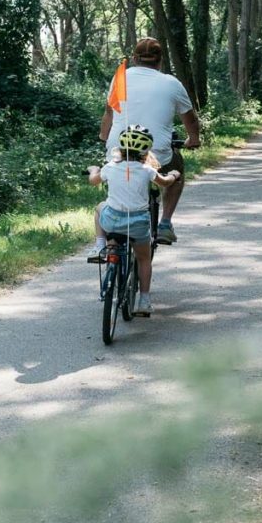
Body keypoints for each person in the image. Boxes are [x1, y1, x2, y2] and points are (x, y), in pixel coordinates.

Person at [100, 37, 200, 244]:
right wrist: (193, 139)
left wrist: (103, 137)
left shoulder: (120, 78)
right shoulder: (171, 83)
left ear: (135, 58)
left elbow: (109, 113)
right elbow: (190, 119)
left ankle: (112, 223)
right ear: (160, 60)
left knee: (116, 169)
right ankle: (164, 224)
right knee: (176, 172)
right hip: (156, 154)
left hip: (118, 149)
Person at [87, 125, 181, 315]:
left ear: (120, 148)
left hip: (113, 220)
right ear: (146, 151)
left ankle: (99, 247)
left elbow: (94, 181)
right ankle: (144, 301)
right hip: (138, 224)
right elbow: (165, 182)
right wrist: (173, 174)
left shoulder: (110, 166)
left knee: (99, 208)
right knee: (143, 258)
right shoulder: (147, 170)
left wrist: (93, 169)